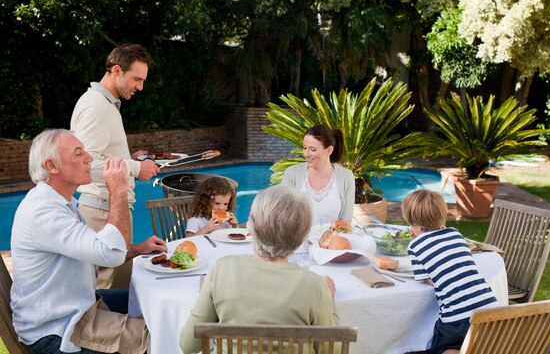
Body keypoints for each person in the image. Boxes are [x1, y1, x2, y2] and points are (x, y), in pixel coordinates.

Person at [11, 129, 167, 354]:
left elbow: (96, 253)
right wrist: (118, 189)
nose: (89, 158)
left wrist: (138, 249)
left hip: (76, 307)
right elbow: (110, 253)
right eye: (78, 153)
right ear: (51, 166)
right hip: (57, 330)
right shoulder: (44, 213)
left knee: (151, 301)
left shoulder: (61, 203)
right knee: (157, 338)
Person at [179, 184, 339, 354]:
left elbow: (189, 345)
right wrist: (329, 300)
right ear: (303, 235)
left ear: (251, 225)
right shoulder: (314, 286)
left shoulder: (221, 269)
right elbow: (331, 351)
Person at [70, 43, 160, 289]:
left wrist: (131, 157)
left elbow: (102, 155)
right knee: (107, 294)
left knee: (120, 288)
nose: (140, 87)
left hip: (110, 209)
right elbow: (85, 166)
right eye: (137, 79)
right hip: (102, 213)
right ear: (117, 70)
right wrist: (135, 168)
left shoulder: (105, 104)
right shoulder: (96, 107)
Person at [402, 190, 498, 354]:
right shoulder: (456, 234)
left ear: (417, 226)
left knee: (443, 348)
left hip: (456, 318)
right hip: (490, 308)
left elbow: (428, 280)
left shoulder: (415, 246)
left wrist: (415, 241)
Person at [281, 124, 355, 225]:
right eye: (304, 147)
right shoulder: (292, 174)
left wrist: (330, 238)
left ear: (329, 150)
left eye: (313, 149)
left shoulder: (346, 177)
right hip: (297, 239)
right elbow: (281, 214)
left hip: (332, 239)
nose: (306, 154)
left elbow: (346, 222)